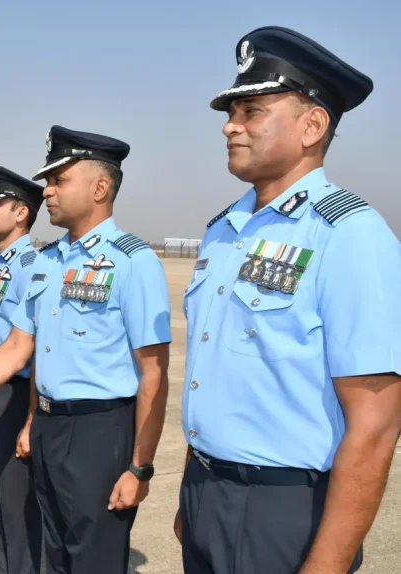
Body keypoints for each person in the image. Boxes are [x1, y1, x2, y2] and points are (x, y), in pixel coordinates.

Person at [174, 27, 401, 574]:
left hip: (283, 511)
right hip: (204, 492)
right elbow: (212, 373)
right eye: (232, 112)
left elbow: (376, 423)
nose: (230, 125)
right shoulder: (222, 232)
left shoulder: (348, 234)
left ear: (312, 125)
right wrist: (191, 491)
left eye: (252, 110)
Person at [0, 126, 172, 573]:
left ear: (100, 187)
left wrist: (140, 467)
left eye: (60, 180)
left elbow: (154, 373)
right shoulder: (47, 261)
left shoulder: (133, 262)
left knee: (92, 558)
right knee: (53, 553)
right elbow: (20, 347)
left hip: (99, 431)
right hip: (47, 427)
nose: (48, 190)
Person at [0, 165, 45, 573]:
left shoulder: (29, 265)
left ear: (20, 213)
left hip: (13, 394)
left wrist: (30, 417)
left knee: (16, 503)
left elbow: (28, 348)